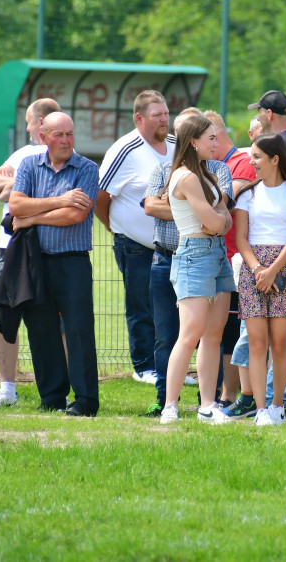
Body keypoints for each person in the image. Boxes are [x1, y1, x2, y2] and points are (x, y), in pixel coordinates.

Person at [141, 109, 233, 417]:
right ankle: (170, 405)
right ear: (193, 142)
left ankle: (208, 406)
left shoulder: (208, 174)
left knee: (213, 335)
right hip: (195, 253)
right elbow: (213, 220)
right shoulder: (186, 177)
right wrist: (217, 219)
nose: (215, 142)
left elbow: (224, 222)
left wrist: (217, 220)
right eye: (210, 138)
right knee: (189, 333)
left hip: (217, 254)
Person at [9, 113, 100, 417]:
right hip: (35, 262)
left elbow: (76, 215)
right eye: (58, 134)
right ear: (44, 135)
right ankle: (51, 397)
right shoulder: (28, 165)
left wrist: (32, 217)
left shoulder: (87, 168)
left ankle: (85, 400)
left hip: (73, 262)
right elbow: (16, 205)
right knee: (41, 329)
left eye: (70, 134)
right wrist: (61, 200)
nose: (65, 140)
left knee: (78, 330)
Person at [0, 98, 61, 408]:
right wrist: (18, 189)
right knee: (5, 317)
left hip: (47, 249)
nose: (26, 127)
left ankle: (56, 387)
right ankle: (7, 389)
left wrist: (17, 190)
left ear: (39, 124)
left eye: (28, 121)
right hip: (9, 249)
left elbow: (12, 194)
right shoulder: (24, 153)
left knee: (55, 321)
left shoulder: (64, 156)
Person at [234, 133, 286, 425]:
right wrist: (258, 271)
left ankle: (278, 405)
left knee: (280, 345)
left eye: (256, 156)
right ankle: (261, 408)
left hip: (285, 268)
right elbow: (241, 238)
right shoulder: (246, 194)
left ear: (274, 159)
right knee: (256, 342)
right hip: (254, 270)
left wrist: (274, 270)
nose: (251, 162)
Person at [96, 90, 173, 384]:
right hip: (134, 245)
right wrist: (113, 226)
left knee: (168, 306)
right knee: (141, 306)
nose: (164, 119)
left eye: (166, 113)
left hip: (170, 246)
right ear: (139, 118)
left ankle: (166, 365)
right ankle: (144, 366)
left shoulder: (176, 145)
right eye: (157, 115)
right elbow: (100, 196)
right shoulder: (124, 149)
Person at [204, 110, 256, 407]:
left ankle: (229, 395)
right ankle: (216, 393)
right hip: (219, 259)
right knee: (218, 330)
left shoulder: (240, 164)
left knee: (232, 330)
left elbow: (223, 203)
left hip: (237, 260)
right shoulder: (218, 165)